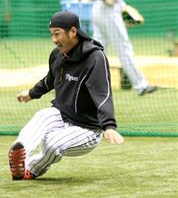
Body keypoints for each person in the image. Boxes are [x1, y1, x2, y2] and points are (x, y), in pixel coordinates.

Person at [8, 11, 124, 181]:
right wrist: (31, 94)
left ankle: (31, 169)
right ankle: (19, 152)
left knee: (53, 143)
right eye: (51, 34)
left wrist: (109, 126)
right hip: (61, 116)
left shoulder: (95, 58)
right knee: (42, 115)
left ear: (73, 32)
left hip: (87, 129)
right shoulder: (57, 54)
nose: (54, 40)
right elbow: (50, 79)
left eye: (57, 34)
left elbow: (103, 94)